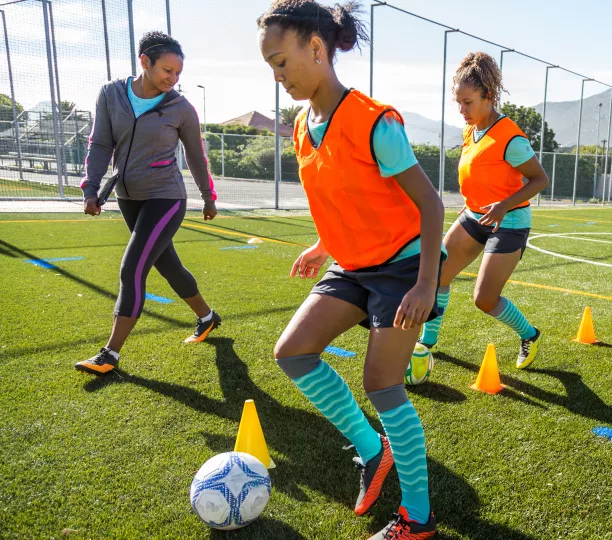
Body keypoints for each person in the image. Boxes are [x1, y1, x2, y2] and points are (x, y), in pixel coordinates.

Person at [258, 2, 444, 538]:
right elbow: (345, 196)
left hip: (402, 268)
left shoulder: (374, 122)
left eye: (281, 61)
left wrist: (426, 285)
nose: (278, 76)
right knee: (292, 353)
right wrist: (323, 244)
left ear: (316, 48)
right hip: (353, 264)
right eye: (270, 67)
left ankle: (418, 519)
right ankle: (372, 451)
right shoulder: (301, 125)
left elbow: (430, 206)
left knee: (382, 383)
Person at [75, 31, 220, 375]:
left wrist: (208, 196)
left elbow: (197, 156)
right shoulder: (111, 94)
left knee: (132, 268)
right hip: (128, 197)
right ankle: (207, 316)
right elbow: (100, 144)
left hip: (166, 197)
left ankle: (110, 354)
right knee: (167, 265)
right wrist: (90, 188)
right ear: (145, 62)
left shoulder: (181, 108)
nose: (173, 79)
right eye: (167, 70)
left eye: (178, 73)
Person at [417, 51, 549, 370]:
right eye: (459, 103)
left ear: (488, 96)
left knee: (484, 299)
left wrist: (503, 205)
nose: (462, 110)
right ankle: (427, 343)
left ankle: (529, 334)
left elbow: (539, 179)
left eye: (468, 102)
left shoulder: (510, 138)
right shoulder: (470, 130)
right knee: (437, 275)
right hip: (473, 216)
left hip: (509, 222)